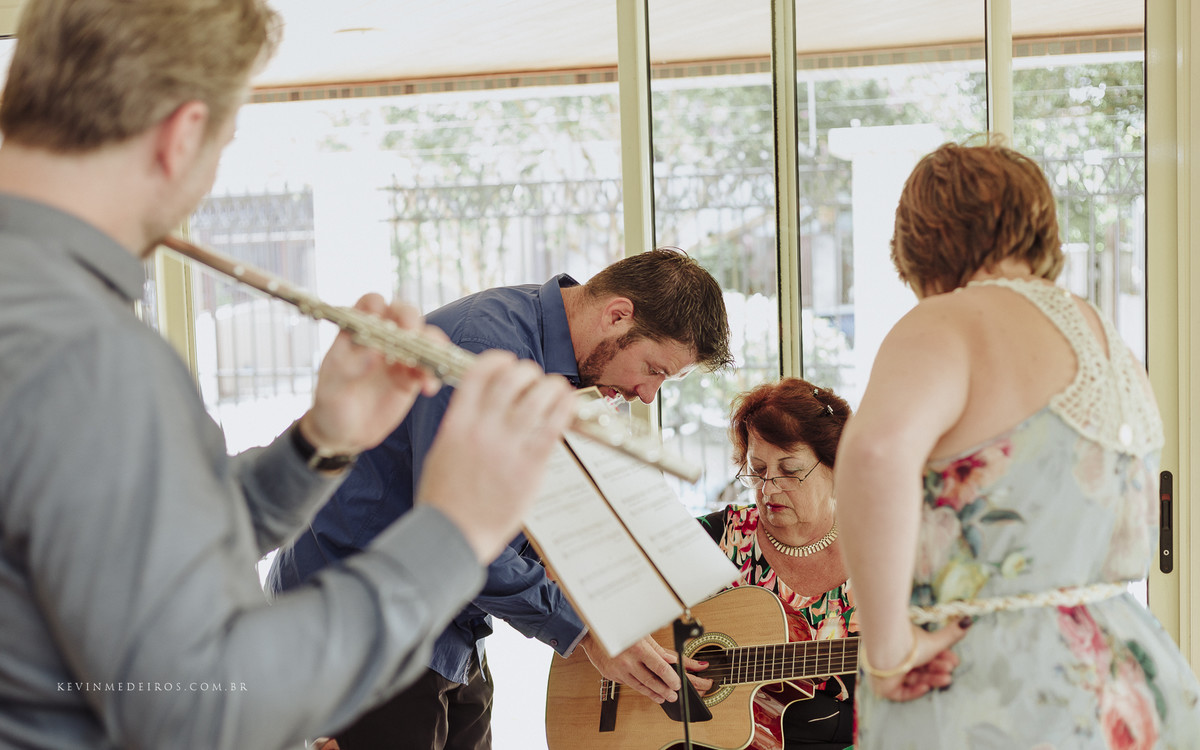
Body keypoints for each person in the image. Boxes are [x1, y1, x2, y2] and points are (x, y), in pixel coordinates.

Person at [0, 1, 581, 749]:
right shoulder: (91, 352)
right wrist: (455, 530)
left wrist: (320, 444)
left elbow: (128, 546)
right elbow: (200, 705)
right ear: (182, 137)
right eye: (224, 145)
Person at [268, 247, 734, 750]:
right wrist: (584, 633)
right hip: (360, 620)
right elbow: (455, 528)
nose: (647, 394)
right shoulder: (484, 348)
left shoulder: (573, 371)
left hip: (447, 621)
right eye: (656, 370)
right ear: (617, 315)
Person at [836, 141, 1200, 748]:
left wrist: (888, 647)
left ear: (919, 239)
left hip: (999, 691)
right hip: (1129, 678)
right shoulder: (1107, 338)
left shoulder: (951, 319)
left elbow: (875, 454)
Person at [696, 378, 857, 750]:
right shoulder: (719, 537)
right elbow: (605, 582)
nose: (768, 488)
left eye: (789, 469)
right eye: (757, 469)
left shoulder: (882, 557)